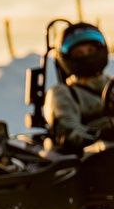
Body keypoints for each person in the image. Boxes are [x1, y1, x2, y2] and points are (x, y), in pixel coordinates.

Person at [44, 21, 114, 153]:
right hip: (93, 162)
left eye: (90, 50)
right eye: (79, 53)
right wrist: (101, 135)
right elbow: (69, 131)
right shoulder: (63, 93)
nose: (86, 56)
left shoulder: (111, 85)